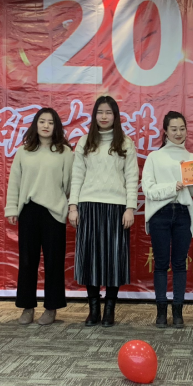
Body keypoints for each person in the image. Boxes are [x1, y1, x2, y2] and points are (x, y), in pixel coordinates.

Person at [68, 96, 139, 327]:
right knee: (90, 259)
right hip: (88, 205)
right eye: (100, 112)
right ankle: (93, 310)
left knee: (113, 260)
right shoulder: (85, 142)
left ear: (116, 116)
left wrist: (130, 208)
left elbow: (132, 178)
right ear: (94, 115)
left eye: (109, 112)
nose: (104, 116)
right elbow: (77, 176)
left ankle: (109, 310)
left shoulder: (125, 143)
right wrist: (73, 206)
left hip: (116, 207)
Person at [5, 108, 74, 326]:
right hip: (29, 211)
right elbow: (14, 182)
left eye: (50, 122)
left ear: (56, 127)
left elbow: (70, 184)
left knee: (54, 262)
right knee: (27, 261)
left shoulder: (65, 152)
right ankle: (27, 307)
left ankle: (51, 307)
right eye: (42, 121)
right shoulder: (24, 152)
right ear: (35, 124)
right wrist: (11, 208)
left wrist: (69, 206)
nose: (46, 126)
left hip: (54, 212)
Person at [142, 111, 193, 328]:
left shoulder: (192, 158)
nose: (178, 133)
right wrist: (173, 187)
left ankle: (178, 311)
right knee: (161, 264)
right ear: (165, 131)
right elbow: (148, 189)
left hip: (183, 213)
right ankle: (161, 311)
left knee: (179, 264)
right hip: (160, 214)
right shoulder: (154, 157)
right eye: (174, 129)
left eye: (182, 128)